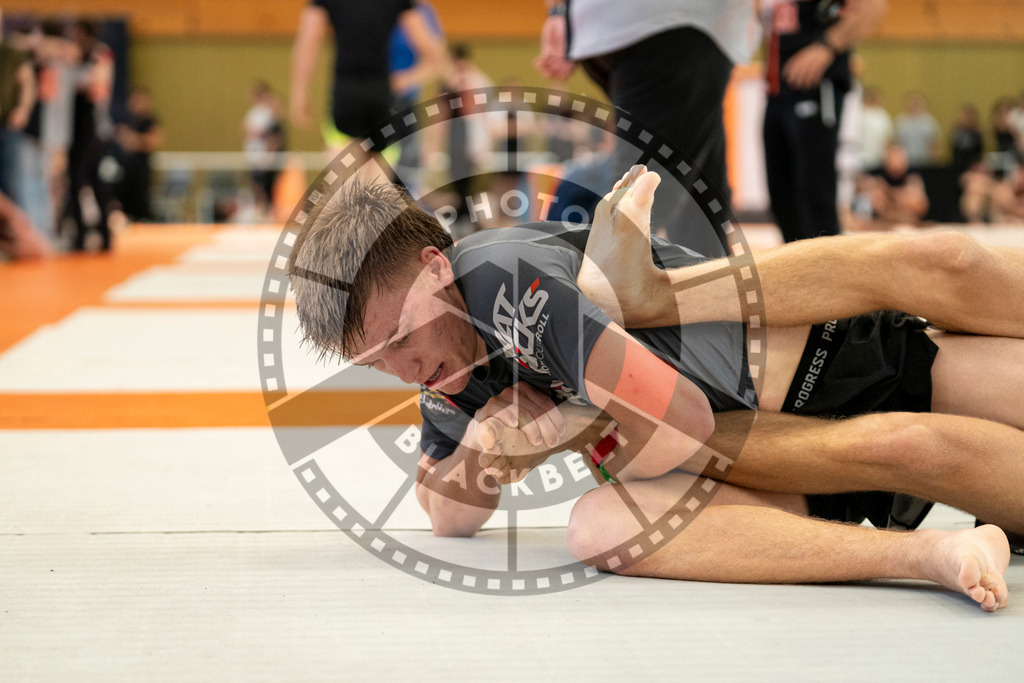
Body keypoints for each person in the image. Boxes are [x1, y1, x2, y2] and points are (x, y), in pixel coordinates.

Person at [286, 169, 1022, 610]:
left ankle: (649, 296)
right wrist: (483, 447)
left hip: (825, 367)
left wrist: (561, 425)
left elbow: (683, 419)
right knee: (599, 527)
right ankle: (929, 556)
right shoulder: (441, 359)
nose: (402, 367)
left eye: (399, 339)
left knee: (915, 418)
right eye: (375, 361)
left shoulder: (506, 280)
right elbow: (445, 514)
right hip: (769, 455)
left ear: (434, 267)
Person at [534, 0, 758, 254]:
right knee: (634, 213)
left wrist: (559, 12)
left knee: (695, 185)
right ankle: (568, 287)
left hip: (600, 27)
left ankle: (709, 285)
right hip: (674, 24)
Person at [761, 0, 887, 243]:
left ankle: (830, 272)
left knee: (815, 191)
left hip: (815, 88)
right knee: (781, 192)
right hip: (777, 92)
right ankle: (798, 267)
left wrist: (826, 46)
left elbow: (874, 7)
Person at [289, 0, 452, 172]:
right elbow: (437, 57)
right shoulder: (407, 7)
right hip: (379, 94)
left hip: (353, 93)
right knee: (373, 183)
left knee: (346, 182)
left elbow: (308, 43)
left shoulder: (419, 9)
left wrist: (299, 93)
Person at [116, 86, 162, 222]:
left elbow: (155, 140)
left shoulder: (149, 120)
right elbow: (120, 138)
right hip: (125, 167)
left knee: (141, 200)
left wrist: (135, 140)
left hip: (141, 168)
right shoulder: (126, 119)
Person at [243, 80, 284, 218]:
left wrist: (269, 155)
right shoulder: (254, 113)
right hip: (255, 157)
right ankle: (261, 213)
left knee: (269, 188)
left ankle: (269, 213)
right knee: (257, 187)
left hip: (267, 158)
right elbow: (246, 130)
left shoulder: (270, 113)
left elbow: (274, 138)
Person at [895, 91, 940, 168]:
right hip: (904, 162)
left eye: (918, 101)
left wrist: (934, 161)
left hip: (925, 161)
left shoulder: (930, 122)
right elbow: (894, 142)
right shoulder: (900, 121)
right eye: (912, 101)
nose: (914, 104)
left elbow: (935, 144)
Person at [858, 85, 892, 172]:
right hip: (859, 156)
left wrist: (886, 156)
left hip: (877, 157)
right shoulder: (858, 112)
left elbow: (888, 138)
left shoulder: (882, 115)